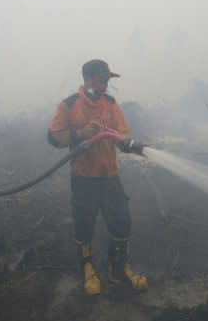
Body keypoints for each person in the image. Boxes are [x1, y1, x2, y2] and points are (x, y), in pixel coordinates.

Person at [48, 59, 148, 295]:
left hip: (109, 175)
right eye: (102, 80)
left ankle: (119, 271)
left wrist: (128, 144)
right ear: (89, 79)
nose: (106, 85)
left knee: (121, 221)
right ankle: (88, 270)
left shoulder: (111, 105)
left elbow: (122, 135)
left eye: (107, 80)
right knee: (84, 224)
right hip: (84, 178)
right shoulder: (69, 105)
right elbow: (53, 137)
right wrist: (79, 134)